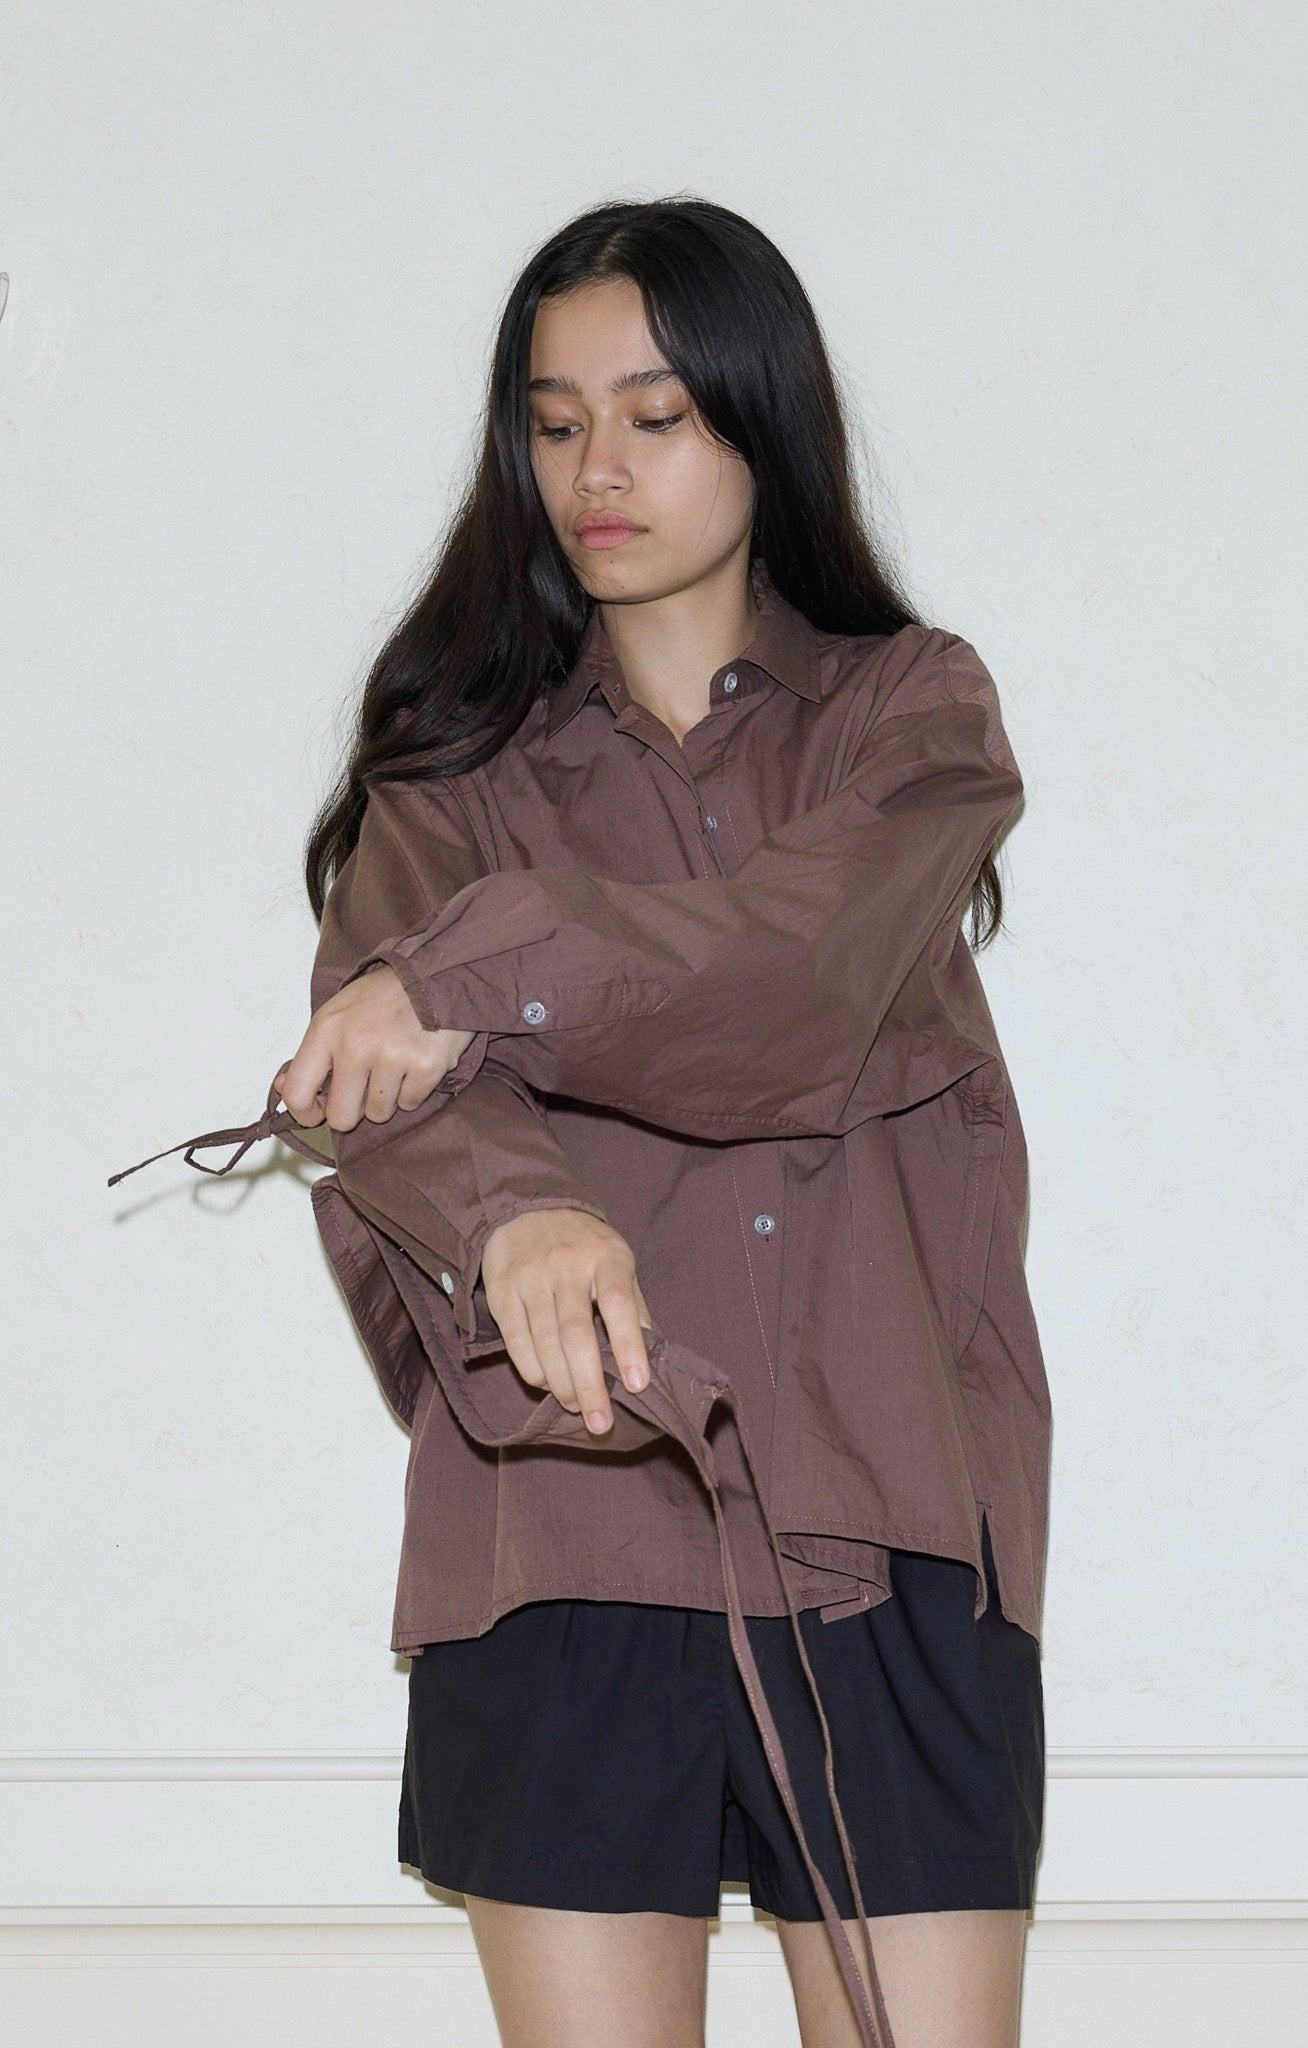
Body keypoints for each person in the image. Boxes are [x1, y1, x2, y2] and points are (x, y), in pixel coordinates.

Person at [274, 197, 1051, 2048]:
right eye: (552, 423)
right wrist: (518, 1216)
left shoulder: (908, 715)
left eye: (654, 411)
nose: (593, 469)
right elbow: (373, 1108)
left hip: (892, 1523)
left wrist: (469, 979)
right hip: (561, 1536)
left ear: (758, 420)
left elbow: (788, 981)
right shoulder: (448, 780)